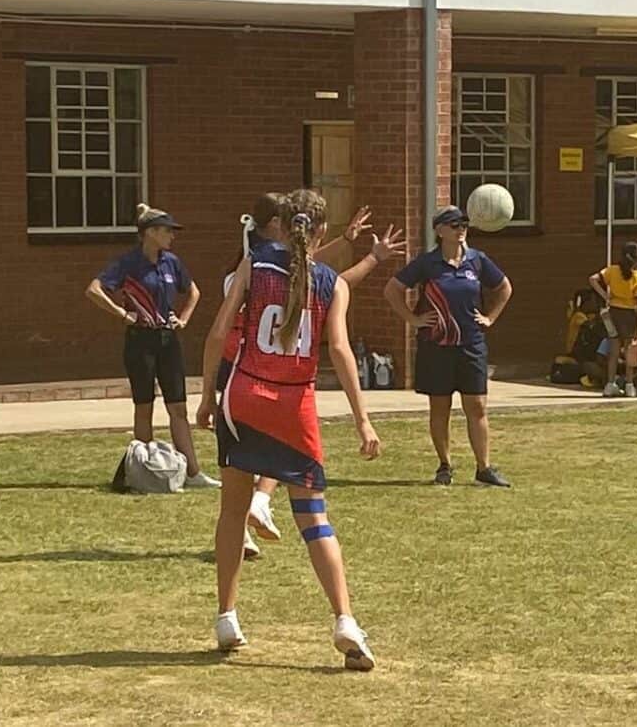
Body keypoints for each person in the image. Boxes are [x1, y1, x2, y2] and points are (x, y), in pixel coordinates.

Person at [196, 189, 381, 668]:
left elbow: (218, 333)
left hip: (245, 398)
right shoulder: (331, 284)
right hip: (294, 404)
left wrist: (206, 395)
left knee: (232, 511)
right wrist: (362, 418)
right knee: (314, 518)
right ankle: (344, 620)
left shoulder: (252, 268)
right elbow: (339, 350)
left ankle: (227, 615)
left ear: (281, 225)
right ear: (321, 232)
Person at [222, 195, 402, 558]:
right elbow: (327, 283)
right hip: (251, 370)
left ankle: (252, 509)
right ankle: (248, 514)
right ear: (277, 225)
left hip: (247, 373)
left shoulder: (256, 265)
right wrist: (367, 255)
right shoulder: (255, 267)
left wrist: (350, 243)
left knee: (256, 454)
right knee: (267, 454)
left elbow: (319, 278)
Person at [86, 202, 218, 488]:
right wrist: (123, 315)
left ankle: (193, 473)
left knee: (178, 407)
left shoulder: (172, 262)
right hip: (139, 340)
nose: (172, 236)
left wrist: (183, 318)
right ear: (151, 232)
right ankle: (143, 472)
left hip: (168, 340)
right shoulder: (128, 263)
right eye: (167, 231)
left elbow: (194, 291)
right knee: (143, 406)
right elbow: (94, 290)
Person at [384, 205, 513, 488]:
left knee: (477, 406)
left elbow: (504, 287)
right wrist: (413, 319)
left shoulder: (477, 261)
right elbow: (392, 289)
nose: (461, 228)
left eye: (464, 223)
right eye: (454, 224)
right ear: (440, 230)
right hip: (436, 346)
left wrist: (490, 317)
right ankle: (444, 465)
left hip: (471, 345)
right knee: (439, 407)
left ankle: (484, 468)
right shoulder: (427, 264)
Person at [589, 241, 637, 398]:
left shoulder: (612, 271)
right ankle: (629, 385)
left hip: (613, 313)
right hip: (629, 315)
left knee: (613, 351)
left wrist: (605, 295)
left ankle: (610, 384)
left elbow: (593, 279)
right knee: (630, 352)